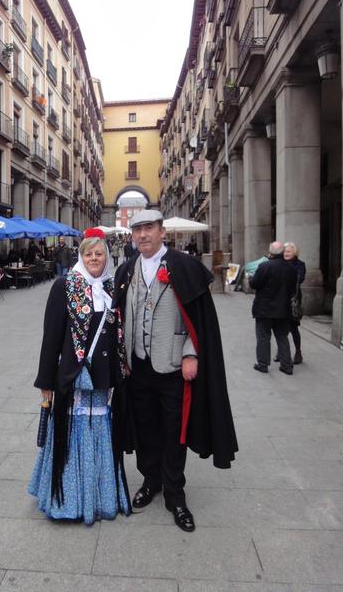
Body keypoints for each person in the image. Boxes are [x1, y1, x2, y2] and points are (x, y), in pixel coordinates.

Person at [114, 210, 237, 533]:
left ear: (162, 231)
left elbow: (199, 319)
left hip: (172, 367)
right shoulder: (126, 270)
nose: (143, 235)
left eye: (148, 228)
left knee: (174, 431)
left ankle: (175, 494)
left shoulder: (184, 267)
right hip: (137, 366)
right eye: (137, 229)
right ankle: (150, 481)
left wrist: (191, 353)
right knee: (145, 427)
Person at [28, 228, 130, 524]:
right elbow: (51, 337)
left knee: (98, 428)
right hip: (73, 377)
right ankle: (69, 500)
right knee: (71, 432)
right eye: (88, 253)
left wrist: (122, 368)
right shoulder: (64, 285)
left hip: (102, 378)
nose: (94, 258)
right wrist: (46, 382)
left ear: (106, 256)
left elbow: (116, 334)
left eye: (99, 253)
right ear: (80, 256)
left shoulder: (112, 287)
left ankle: (99, 495)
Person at [249, 241, 297, 375]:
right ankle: (287, 365)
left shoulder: (264, 266)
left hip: (264, 309)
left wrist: (250, 278)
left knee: (263, 337)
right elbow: (293, 289)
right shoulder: (291, 269)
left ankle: (263, 364)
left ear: (270, 253)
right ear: (282, 253)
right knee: (282, 337)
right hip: (283, 309)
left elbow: (254, 284)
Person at [283, 242, 306, 364]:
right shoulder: (280, 263)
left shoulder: (299, 264)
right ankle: (282, 351)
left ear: (294, 253)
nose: (286, 253)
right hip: (281, 298)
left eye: (289, 251)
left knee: (293, 327)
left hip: (293, 299)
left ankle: (298, 352)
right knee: (281, 327)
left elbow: (300, 278)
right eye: (285, 251)